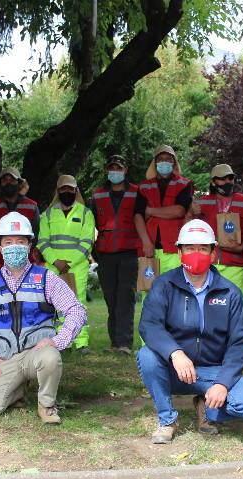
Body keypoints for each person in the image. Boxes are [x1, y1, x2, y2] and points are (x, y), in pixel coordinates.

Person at [137, 219, 243, 443]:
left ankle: (208, 409)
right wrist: (174, 352)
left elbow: (239, 343)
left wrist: (222, 383)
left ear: (213, 253)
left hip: (213, 370)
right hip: (175, 370)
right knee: (146, 355)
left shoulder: (229, 292)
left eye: (203, 249)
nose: (197, 253)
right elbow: (149, 325)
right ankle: (167, 419)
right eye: (190, 248)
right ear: (179, 252)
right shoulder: (164, 285)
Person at [0, 212, 85, 422]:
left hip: (36, 353)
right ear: (0, 248)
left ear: (29, 246)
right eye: (8, 242)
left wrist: (57, 341)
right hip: (3, 358)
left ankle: (46, 406)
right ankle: (17, 389)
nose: (14, 246)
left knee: (50, 357)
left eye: (20, 241)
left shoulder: (46, 278)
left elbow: (76, 310)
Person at [37, 175, 95, 352]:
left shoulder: (85, 213)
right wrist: (56, 261)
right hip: (54, 267)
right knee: (56, 305)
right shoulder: (47, 214)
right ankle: (62, 341)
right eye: (63, 189)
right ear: (58, 191)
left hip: (77, 267)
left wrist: (69, 263)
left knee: (79, 303)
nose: (67, 192)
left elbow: (87, 242)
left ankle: (81, 342)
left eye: (71, 189)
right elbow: (42, 241)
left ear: (76, 191)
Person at [91, 155, 140, 354]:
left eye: (118, 168)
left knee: (125, 298)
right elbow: (92, 223)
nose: (115, 171)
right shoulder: (98, 194)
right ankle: (114, 343)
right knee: (111, 298)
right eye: (111, 168)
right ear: (106, 170)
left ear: (125, 169)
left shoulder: (137, 192)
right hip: (105, 252)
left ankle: (125, 344)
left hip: (129, 251)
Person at [191, 163, 243, 298]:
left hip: (236, 265)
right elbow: (190, 231)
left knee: (236, 309)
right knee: (209, 309)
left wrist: (242, 247)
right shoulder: (201, 203)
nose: (227, 181)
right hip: (208, 265)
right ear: (213, 182)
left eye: (230, 178)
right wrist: (191, 214)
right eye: (222, 178)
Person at [134, 145, 193, 275]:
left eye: (168, 159)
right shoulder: (144, 186)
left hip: (174, 249)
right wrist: (145, 242)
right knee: (149, 291)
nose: (164, 162)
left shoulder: (184, 184)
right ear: (155, 163)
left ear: (174, 162)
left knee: (174, 290)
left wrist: (149, 211)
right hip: (149, 248)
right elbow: (138, 215)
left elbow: (179, 211)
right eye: (160, 159)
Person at [0, 167, 41, 276]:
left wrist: (18, 257)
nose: (8, 183)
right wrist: (10, 256)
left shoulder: (32, 206)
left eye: (12, 180)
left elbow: (34, 237)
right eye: (4, 180)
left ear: (19, 183)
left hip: (25, 265)